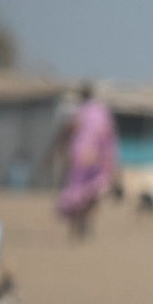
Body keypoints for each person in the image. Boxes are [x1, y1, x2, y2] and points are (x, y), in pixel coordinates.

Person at [54, 84, 118, 239]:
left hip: (81, 157)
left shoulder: (79, 111)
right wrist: (110, 159)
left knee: (78, 192)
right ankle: (85, 223)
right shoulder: (101, 112)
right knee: (93, 193)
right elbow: (109, 136)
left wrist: (59, 150)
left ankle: (77, 225)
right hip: (97, 158)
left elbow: (69, 130)